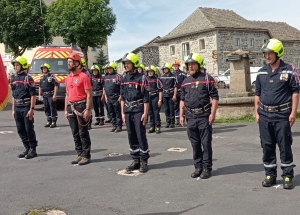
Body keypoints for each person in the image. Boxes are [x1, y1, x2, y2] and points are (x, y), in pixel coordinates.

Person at [255, 38, 299, 189]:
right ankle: (270, 174)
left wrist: (293, 112)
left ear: (278, 53)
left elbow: (295, 92)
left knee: (284, 145)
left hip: (282, 115)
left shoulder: (289, 69)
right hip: (264, 115)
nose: (267, 56)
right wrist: (256, 113)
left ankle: (287, 175)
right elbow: (257, 94)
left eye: (270, 53)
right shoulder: (261, 72)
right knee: (267, 145)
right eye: (265, 53)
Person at [180, 53, 219, 179]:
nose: (190, 66)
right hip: (190, 116)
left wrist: (212, 114)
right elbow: (182, 99)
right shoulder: (185, 81)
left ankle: (207, 167)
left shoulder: (207, 78)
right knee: (195, 143)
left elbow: (215, 97)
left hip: (203, 116)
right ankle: (198, 166)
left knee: (206, 143)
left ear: (199, 64)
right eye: (188, 64)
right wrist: (181, 115)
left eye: (192, 64)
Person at [120, 52, 150, 173]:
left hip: (138, 110)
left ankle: (144, 161)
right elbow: (122, 97)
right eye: (125, 63)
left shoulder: (142, 78)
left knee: (140, 134)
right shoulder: (124, 78)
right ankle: (136, 160)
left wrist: (145, 113)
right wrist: (122, 112)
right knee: (131, 135)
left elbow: (146, 97)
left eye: (128, 63)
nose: (126, 65)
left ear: (134, 63)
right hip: (127, 110)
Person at [65, 53, 92, 165]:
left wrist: (88, 109)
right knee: (75, 132)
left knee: (83, 132)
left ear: (77, 63)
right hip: (71, 106)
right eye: (68, 62)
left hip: (81, 106)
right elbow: (67, 94)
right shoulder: (67, 78)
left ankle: (86, 155)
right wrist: (66, 110)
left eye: (70, 62)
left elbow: (89, 94)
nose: (69, 64)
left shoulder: (83, 77)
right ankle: (79, 154)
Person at [10, 56, 38, 159]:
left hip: (26, 106)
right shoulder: (13, 79)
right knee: (20, 129)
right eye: (15, 65)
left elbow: (33, 95)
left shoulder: (28, 78)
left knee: (28, 128)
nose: (16, 67)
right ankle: (26, 147)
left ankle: (33, 149)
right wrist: (13, 109)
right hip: (17, 107)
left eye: (17, 65)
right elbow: (13, 95)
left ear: (23, 65)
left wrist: (31, 109)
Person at [103, 62, 123, 132]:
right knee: (111, 112)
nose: (109, 70)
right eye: (108, 68)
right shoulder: (106, 77)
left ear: (114, 68)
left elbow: (122, 87)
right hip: (109, 98)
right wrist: (105, 96)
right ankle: (114, 125)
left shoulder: (118, 76)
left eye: (110, 68)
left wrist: (120, 96)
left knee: (117, 112)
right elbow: (104, 87)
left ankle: (119, 126)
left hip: (116, 98)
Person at [38, 63, 59, 128]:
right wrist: (39, 95)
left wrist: (55, 95)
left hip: (51, 94)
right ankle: (49, 120)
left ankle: (53, 121)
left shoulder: (52, 77)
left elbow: (56, 85)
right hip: (44, 95)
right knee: (46, 108)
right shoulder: (41, 78)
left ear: (48, 69)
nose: (44, 69)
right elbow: (40, 87)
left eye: (45, 68)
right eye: (43, 68)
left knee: (52, 108)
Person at [146, 65, 163, 134]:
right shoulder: (146, 79)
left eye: (151, 71)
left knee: (156, 112)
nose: (150, 73)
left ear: (154, 72)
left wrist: (160, 100)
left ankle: (157, 126)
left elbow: (160, 90)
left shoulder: (157, 80)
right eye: (148, 72)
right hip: (148, 97)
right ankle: (152, 126)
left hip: (155, 97)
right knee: (150, 113)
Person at [160, 63, 177, 128]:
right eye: (164, 69)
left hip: (171, 95)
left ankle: (172, 122)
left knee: (171, 109)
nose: (165, 70)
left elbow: (175, 86)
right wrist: (160, 98)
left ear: (169, 69)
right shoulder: (162, 77)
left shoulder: (173, 76)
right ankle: (168, 122)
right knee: (166, 109)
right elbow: (160, 88)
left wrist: (174, 95)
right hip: (164, 95)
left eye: (166, 69)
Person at [79, 57, 92, 130]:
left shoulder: (86, 73)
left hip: (86, 93)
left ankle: (89, 123)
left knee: (88, 107)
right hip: (80, 94)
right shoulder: (77, 72)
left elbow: (89, 85)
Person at [172, 60, 186, 125]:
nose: (175, 67)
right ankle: (177, 119)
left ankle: (183, 117)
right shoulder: (171, 74)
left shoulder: (183, 73)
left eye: (176, 66)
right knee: (176, 106)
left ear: (178, 66)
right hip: (174, 92)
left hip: (182, 91)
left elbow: (185, 82)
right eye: (174, 66)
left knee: (182, 105)